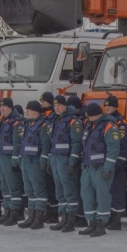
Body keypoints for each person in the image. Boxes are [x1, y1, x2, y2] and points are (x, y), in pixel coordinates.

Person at [79, 103, 120, 237]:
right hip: (87, 167)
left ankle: (101, 224)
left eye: (92, 116)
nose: (90, 118)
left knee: (102, 196)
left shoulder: (109, 127)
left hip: (101, 168)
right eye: (88, 116)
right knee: (86, 195)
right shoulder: (89, 126)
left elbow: (113, 150)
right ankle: (91, 223)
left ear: (98, 114)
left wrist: (107, 168)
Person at [48, 95, 83, 232]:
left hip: (66, 159)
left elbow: (77, 144)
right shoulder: (56, 120)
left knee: (69, 191)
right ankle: (63, 218)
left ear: (65, 106)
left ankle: (71, 220)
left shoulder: (73, 122)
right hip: (56, 159)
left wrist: (72, 162)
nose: (56, 108)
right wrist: (50, 161)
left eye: (59, 105)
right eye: (55, 106)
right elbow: (52, 142)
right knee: (60, 191)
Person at [17, 100, 51, 229]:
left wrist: (43, 161)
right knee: (29, 191)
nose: (27, 112)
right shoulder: (27, 124)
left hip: (35, 162)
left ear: (35, 111)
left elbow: (45, 145)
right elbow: (23, 143)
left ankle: (39, 218)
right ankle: (31, 216)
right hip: (26, 161)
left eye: (29, 110)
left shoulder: (43, 125)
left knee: (38, 190)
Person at [0, 98, 25, 226]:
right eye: (1, 107)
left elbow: (17, 143)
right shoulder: (1, 121)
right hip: (1, 157)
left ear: (11, 108)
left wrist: (14, 159)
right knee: (4, 187)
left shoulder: (16, 123)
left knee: (14, 187)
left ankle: (15, 213)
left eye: (5, 107)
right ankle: (6, 211)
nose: (2, 109)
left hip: (9, 158)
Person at [103, 95, 127, 230]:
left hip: (116, 163)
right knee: (106, 191)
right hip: (105, 162)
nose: (107, 108)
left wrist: (119, 163)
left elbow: (123, 146)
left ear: (116, 106)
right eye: (106, 105)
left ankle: (116, 220)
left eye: (110, 105)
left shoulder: (122, 124)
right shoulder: (104, 121)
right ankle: (107, 217)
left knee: (116, 191)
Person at [68, 95, 89, 228]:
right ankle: (77, 215)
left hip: (82, 159)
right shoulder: (79, 119)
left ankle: (81, 216)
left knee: (82, 189)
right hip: (77, 158)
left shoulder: (81, 121)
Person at [39, 91, 58, 222]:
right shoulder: (43, 116)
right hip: (42, 155)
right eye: (41, 102)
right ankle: (48, 211)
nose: (42, 104)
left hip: (51, 155)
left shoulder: (53, 117)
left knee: (52, 186)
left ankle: (54, 212)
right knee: (45, 185)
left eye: (44, 101)